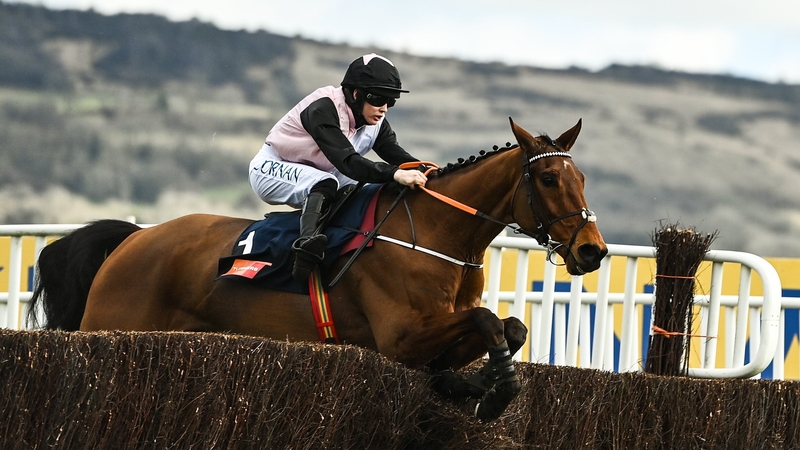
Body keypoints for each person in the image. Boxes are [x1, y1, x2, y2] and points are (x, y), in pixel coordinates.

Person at [249, 53, 428, 282]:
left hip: (320, 171)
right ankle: (305, 247)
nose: (384, 108)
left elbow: (397, 155)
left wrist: (428, 171)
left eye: (390, 101)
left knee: (364, 189)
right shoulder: (323, 108)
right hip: (271, 167)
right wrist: (395, 173)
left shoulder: (376, 121)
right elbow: (349, 163)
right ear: (356, 94)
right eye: (378, 99)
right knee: (328, 182)